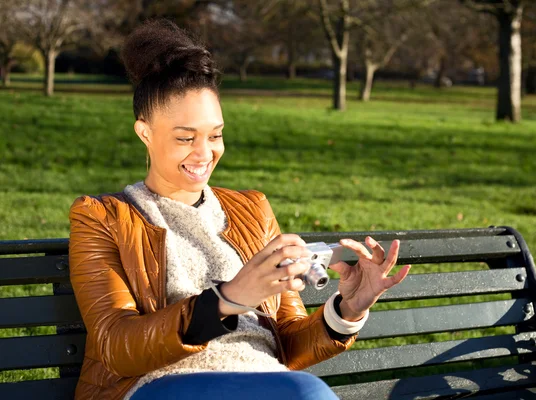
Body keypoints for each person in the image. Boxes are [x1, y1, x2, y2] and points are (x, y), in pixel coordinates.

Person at [68, 19, 412, 400]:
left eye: (215, 135)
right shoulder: (102, 217)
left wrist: (348, 309)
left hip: (262, 379)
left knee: (302, 391)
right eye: (185, 138)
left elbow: (288, 343)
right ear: (144, 133)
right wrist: (228, 298)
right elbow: (116, 345)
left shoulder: (253, 209)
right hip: (154, 385)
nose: (204, 153)